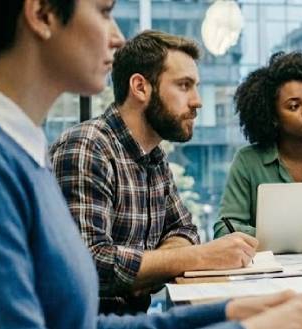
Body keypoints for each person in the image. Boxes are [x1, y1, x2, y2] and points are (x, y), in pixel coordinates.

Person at [0, 0, 302, 328]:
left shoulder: (16, 147)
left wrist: (234, 310)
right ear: (42, 13)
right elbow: (98, 269)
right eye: (105, 10)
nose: (116, 36)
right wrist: (240, 323)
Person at [50, 30, 258, 314]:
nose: (197, 101)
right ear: (140, 87)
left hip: (135, 318)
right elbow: (91, 264)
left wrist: (152, 265)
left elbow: (184, 228)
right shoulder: (87, 146)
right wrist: (196, 257)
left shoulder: (154, 155)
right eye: (184, 86)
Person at [213, 51, 302, 238]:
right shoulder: (248, 161)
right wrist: (286, 236)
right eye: (294, 106)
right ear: (273, 117)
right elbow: (224, 229)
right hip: (271, 266)